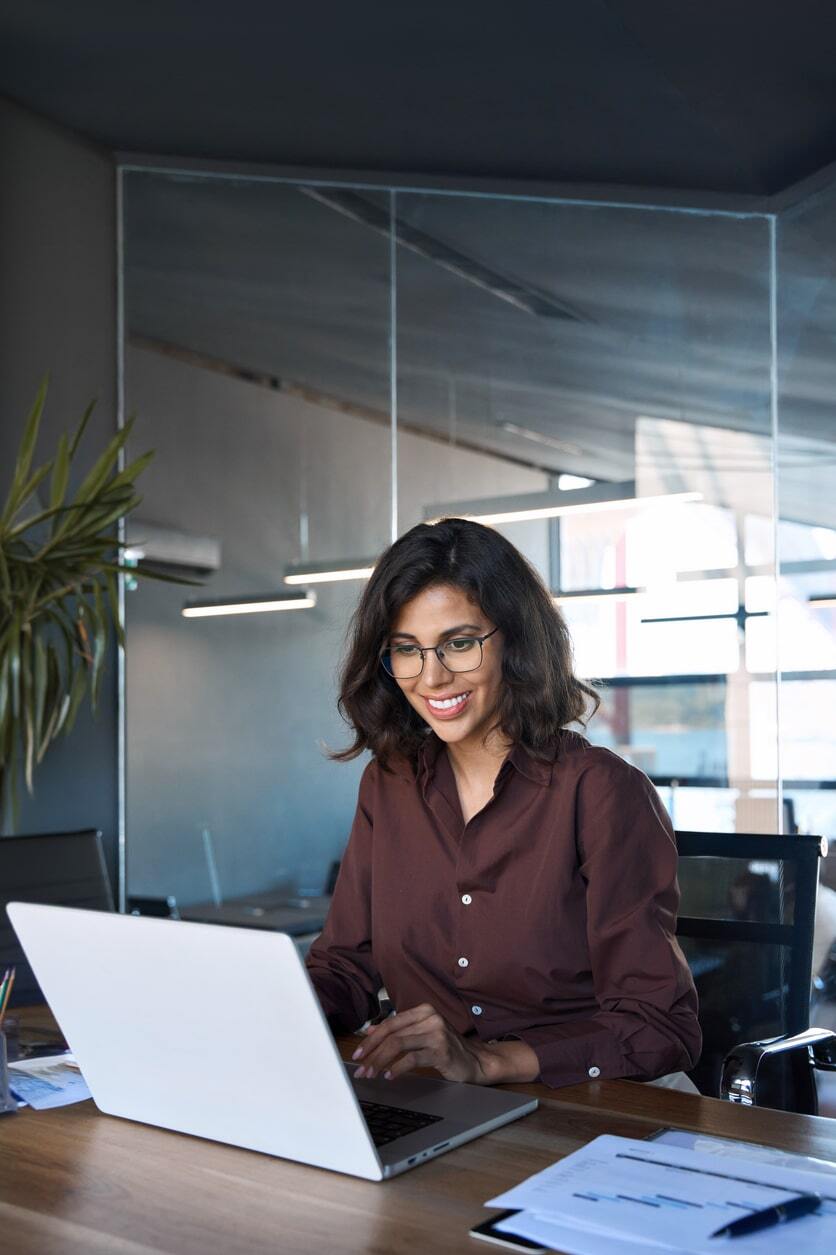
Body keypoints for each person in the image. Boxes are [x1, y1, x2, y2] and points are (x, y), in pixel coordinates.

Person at [305, 517, 701, 1089]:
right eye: (406, 650)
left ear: (514, 638)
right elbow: (345, 967)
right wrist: (264, 1013)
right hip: (442, 1102)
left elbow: (659, 1025)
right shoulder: (387, 784)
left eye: (459, 644)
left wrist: (489, 1060)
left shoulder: (601, 792)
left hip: (596, 1102)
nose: (432, 677)